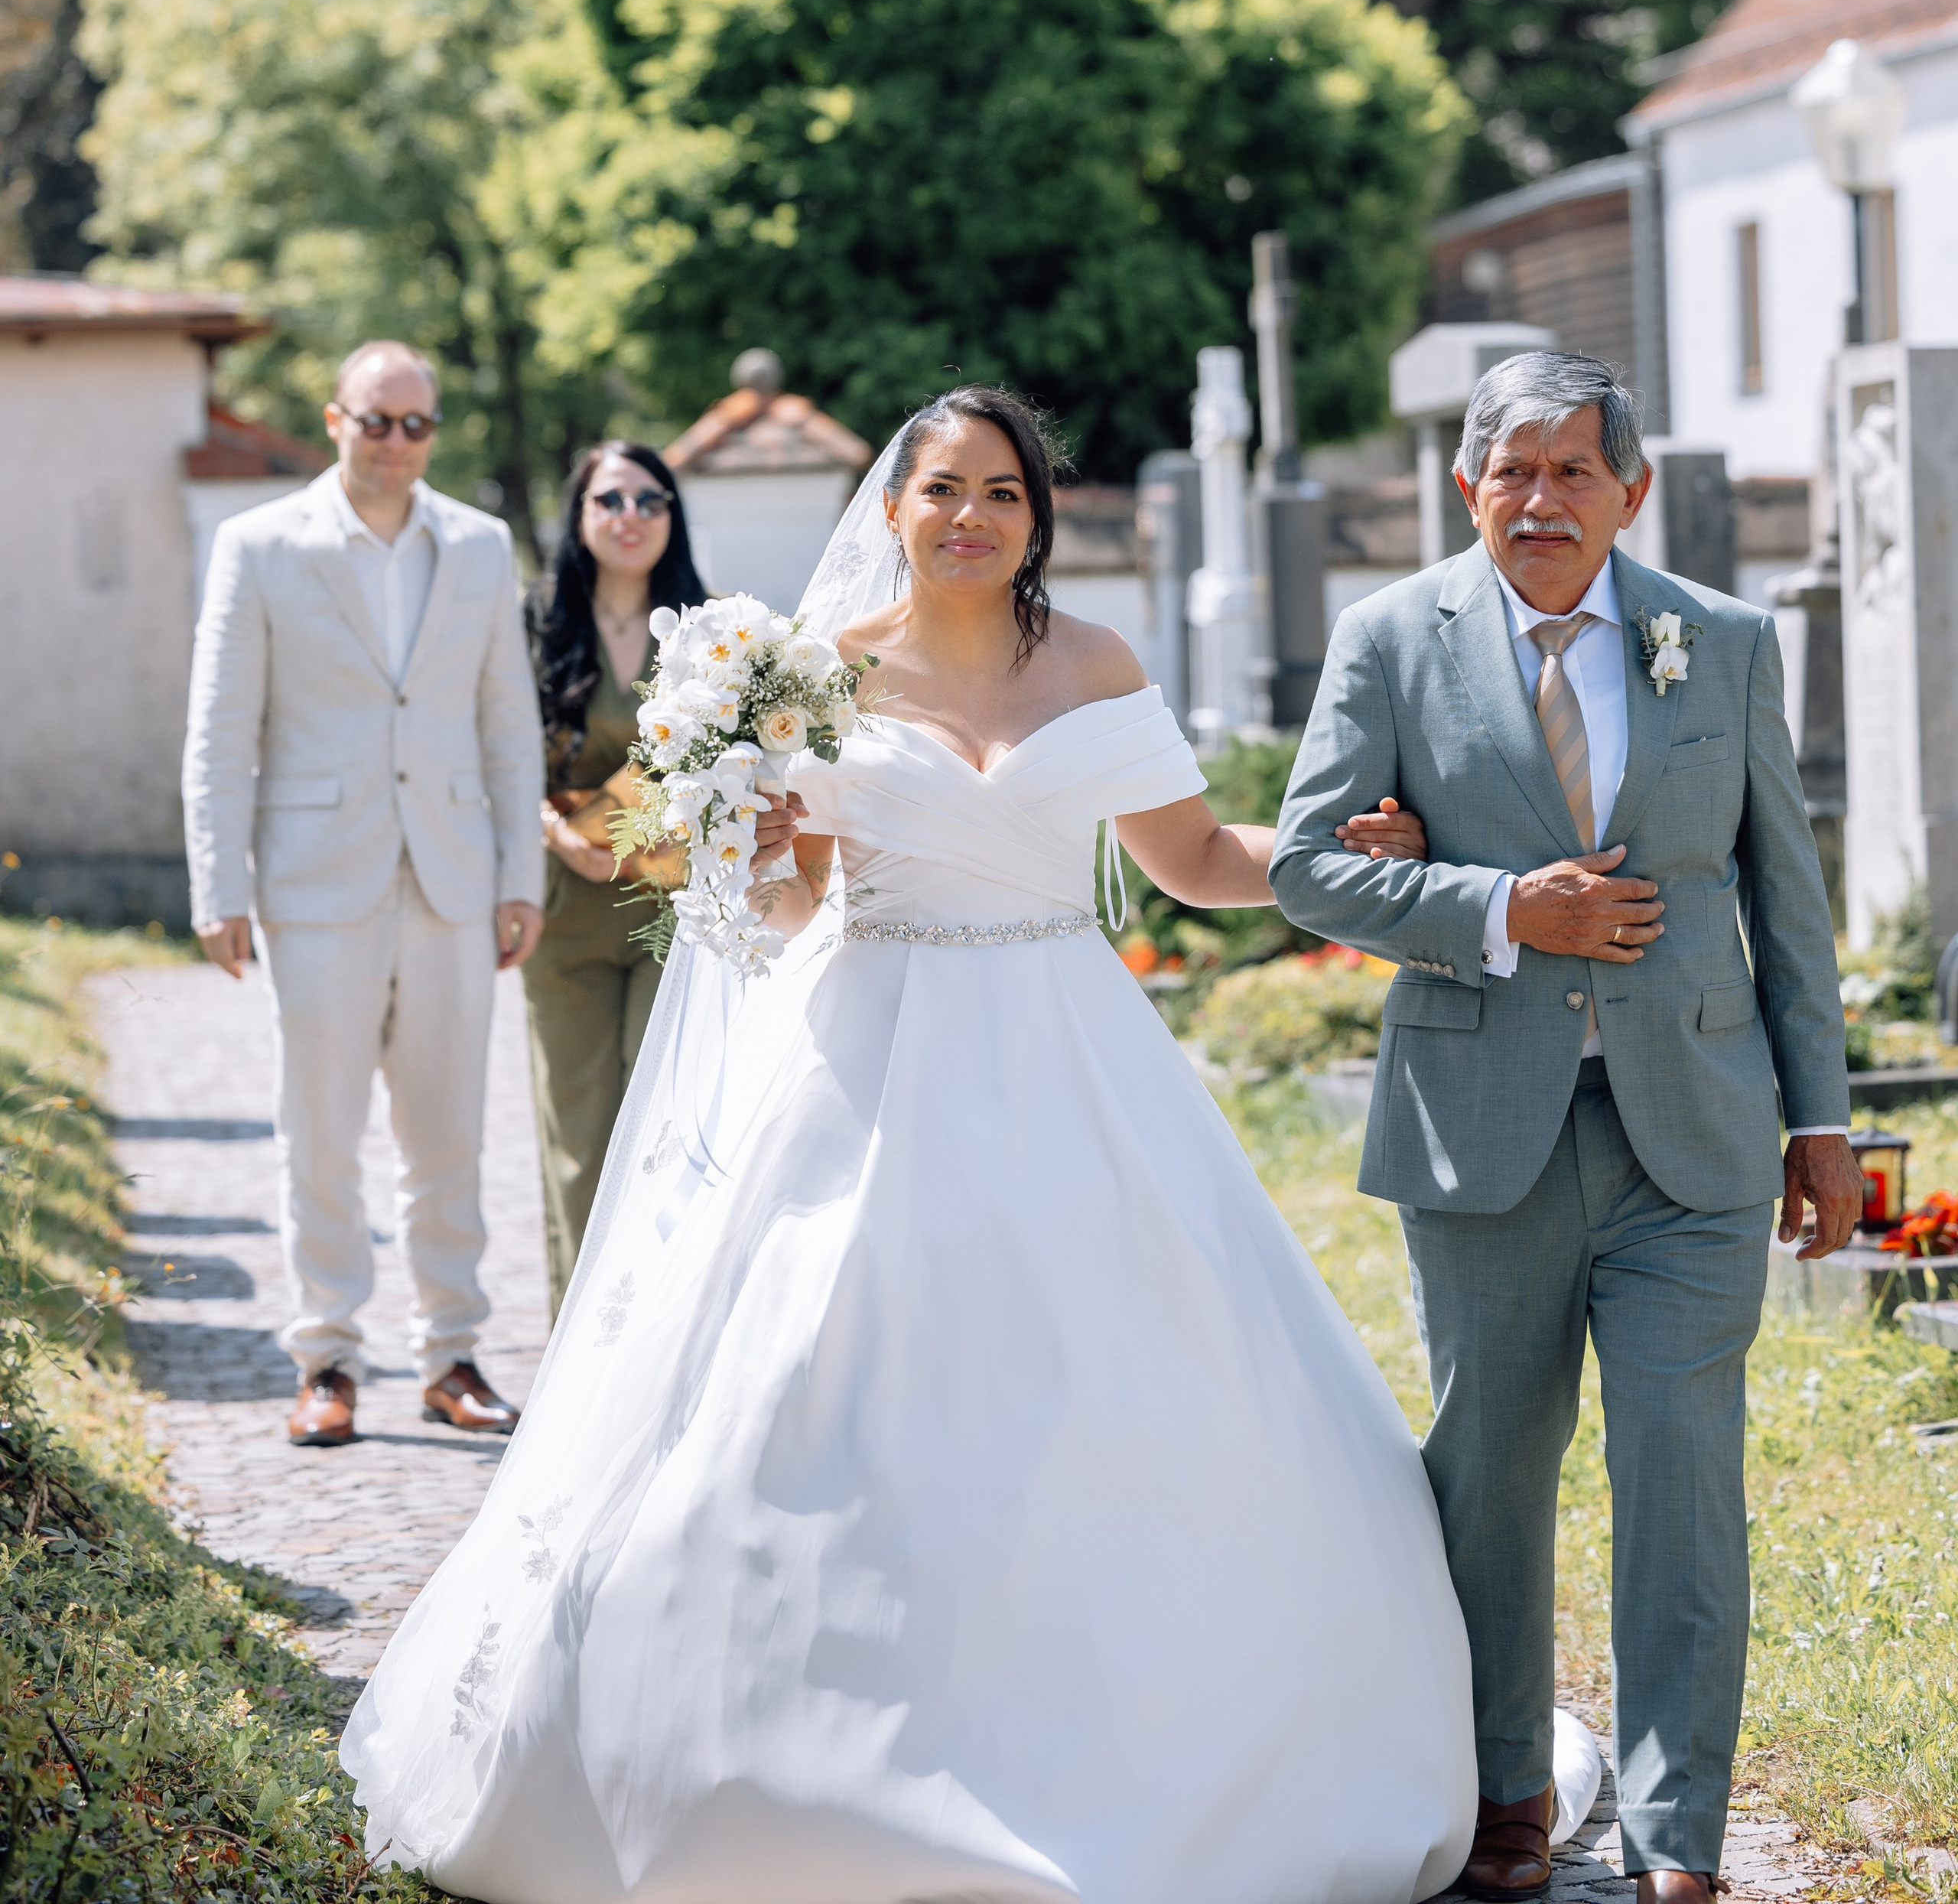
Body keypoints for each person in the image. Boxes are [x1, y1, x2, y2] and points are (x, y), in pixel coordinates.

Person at [343, 384, 1484, 1904]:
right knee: (819, 1374)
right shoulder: (815, 675)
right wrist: (741, 850)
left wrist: (1333, 859)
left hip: (1068, 1041)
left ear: (1035, 516)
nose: (967, 516)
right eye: (940, 488)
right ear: (893, 510)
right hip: (866, 1045)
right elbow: (790, 900)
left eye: (1000, 491)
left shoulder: (1094, 663)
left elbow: (1193, 860)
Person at [1269, 349, 1857, 1904]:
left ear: (1626, 490)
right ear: (1466, 488)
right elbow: (1306, 868)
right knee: (1485, 1474)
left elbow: (1779, 902)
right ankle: (1502, 1793)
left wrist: (1822, 1121)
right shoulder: (1388, 640)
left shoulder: (1716, 644)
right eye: (1508, 471)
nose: (1538, 500)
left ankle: (1675, 1840)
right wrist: (1493, 905)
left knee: (1682, 1482)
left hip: (1696, 1135)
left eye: (1570, 472)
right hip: (1481, 1132)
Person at [182, 339, 548, 1450]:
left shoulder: (480, 547)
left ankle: (453, 1357)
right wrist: (218, 881)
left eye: (416, 424)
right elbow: (219, 726)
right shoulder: (258, 544)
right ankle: (328, 1358)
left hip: (450, 875)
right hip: (313, 880)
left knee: (448, 1137)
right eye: (376, 420)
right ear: (334, 419)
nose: (397, 442)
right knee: (322, 1133)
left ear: (435, 433)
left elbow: (505, 725)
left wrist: (518, 876)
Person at [523, 440, 706, 1312]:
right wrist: (554, 834)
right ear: (580, 516)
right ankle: (576, 1343)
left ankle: (662, 1329)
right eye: (611, 500)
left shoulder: (714, 627)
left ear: (673, 517)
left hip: (675, 908)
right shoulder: (533, 625)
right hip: (566, 908)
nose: (630, 516)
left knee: (666, 1121)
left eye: (650, 500)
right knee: (580, 1132)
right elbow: (493, 757)